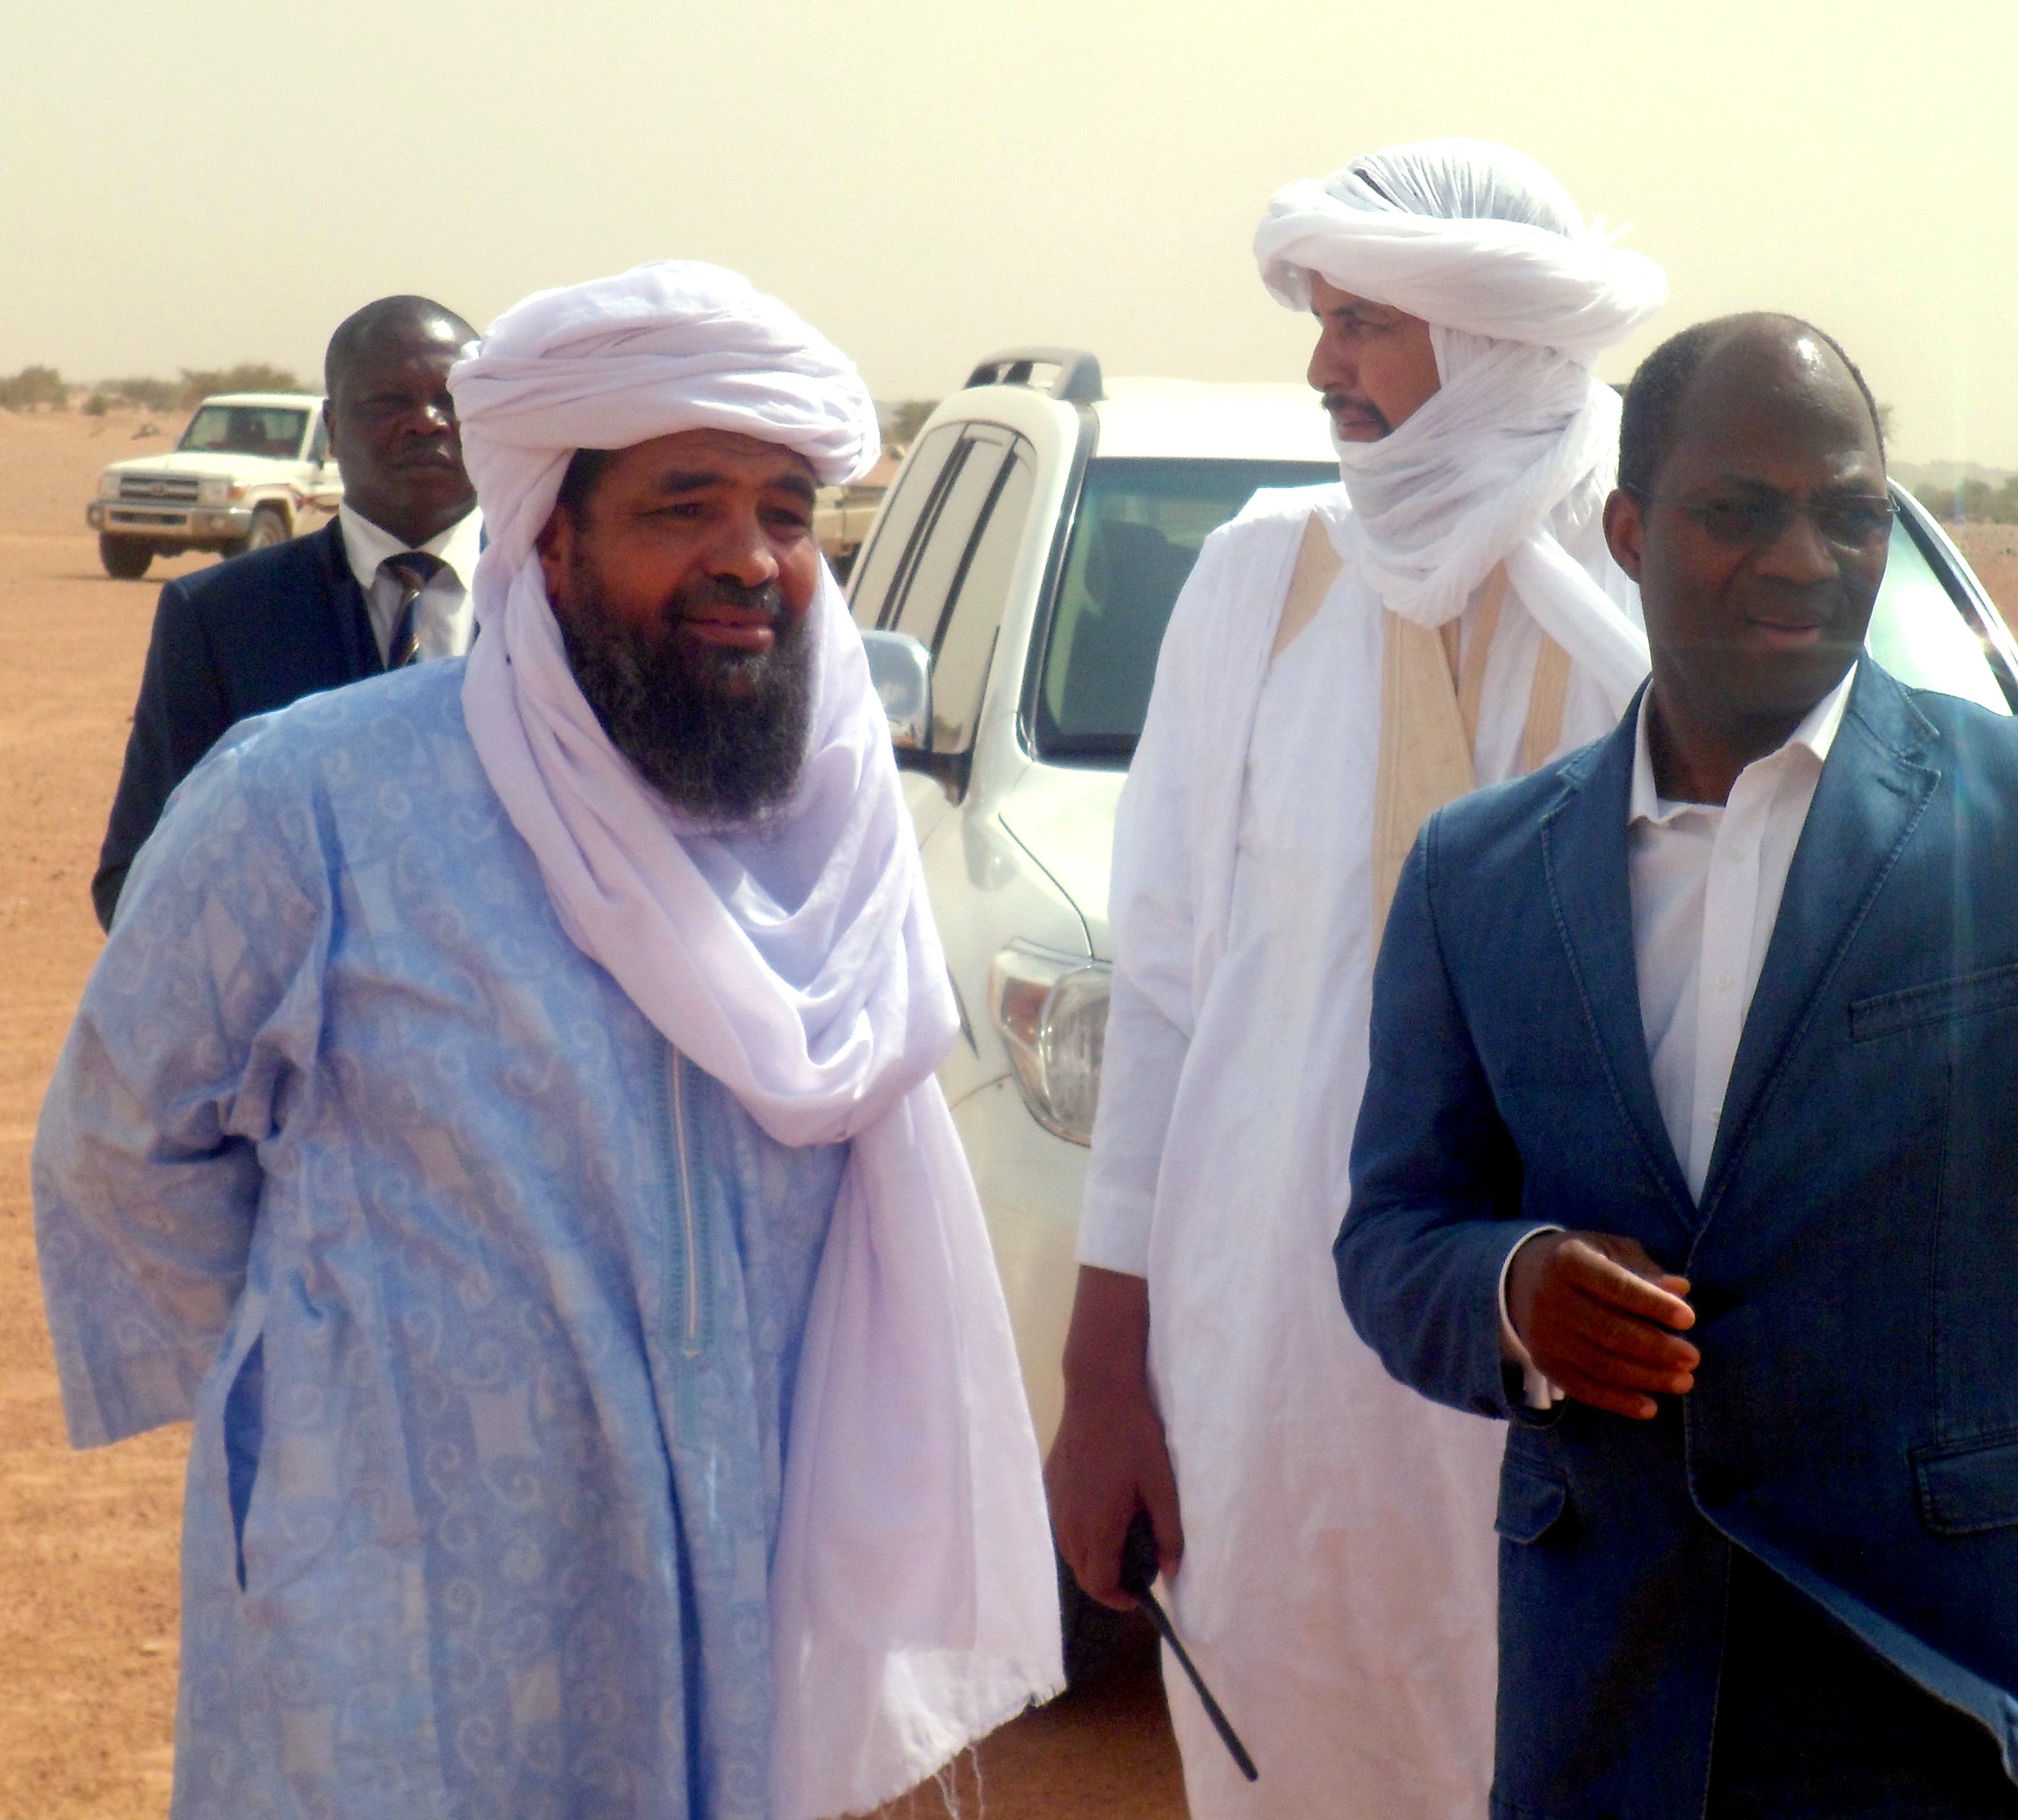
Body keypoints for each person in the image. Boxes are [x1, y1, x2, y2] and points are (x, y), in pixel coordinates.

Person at [1335, 313, 2018, 1818]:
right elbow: (1392, 1234)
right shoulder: (1482, 873)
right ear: (1631, 530)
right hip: (1616, 1698)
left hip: (1955, 1696)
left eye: (1848, 516)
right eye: (1739, 511)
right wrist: (1515, 1290)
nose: (1800, 558)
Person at [33, 263, 1060, 1820]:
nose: (750, 558)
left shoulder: (827, 843)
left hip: (748, 1561)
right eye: (682, 505)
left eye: (787, 510)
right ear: (551, 537)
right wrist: (324, 1372)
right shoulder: (316, 798)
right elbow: (123, 1141)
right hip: (404, 1592)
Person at [1046, 140, 1664, 1820]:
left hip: (1561, 1346)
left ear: (1488, 341)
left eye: (1365, 325)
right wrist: (1108, 1377)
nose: (1322, 366)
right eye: (1325, 321)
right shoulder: (1261, 581)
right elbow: (1162, 991)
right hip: (1272, 1347)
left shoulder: (1652, 607)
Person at [91, 295, 485, 928]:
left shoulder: (562, 603)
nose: (428, 422)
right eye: (389, 402)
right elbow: (139, 880)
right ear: (331, 429)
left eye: (453, 400)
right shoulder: (220, 617)